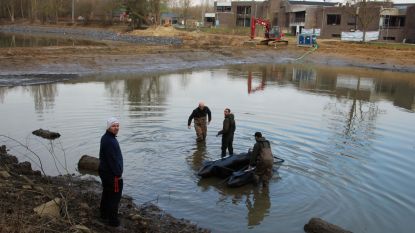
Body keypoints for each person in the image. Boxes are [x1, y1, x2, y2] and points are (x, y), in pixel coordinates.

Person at [99, 117, 124, 227]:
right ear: (108, 127)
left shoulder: (106, 137)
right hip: (112, 175)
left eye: (117, 125)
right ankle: (113, 221)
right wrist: (118, 174)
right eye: (114, 126)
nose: (116, 128)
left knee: (107, 193)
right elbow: (112, 160)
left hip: (105, 172)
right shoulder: (110, 141)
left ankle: (103, 214)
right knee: (114, 197)